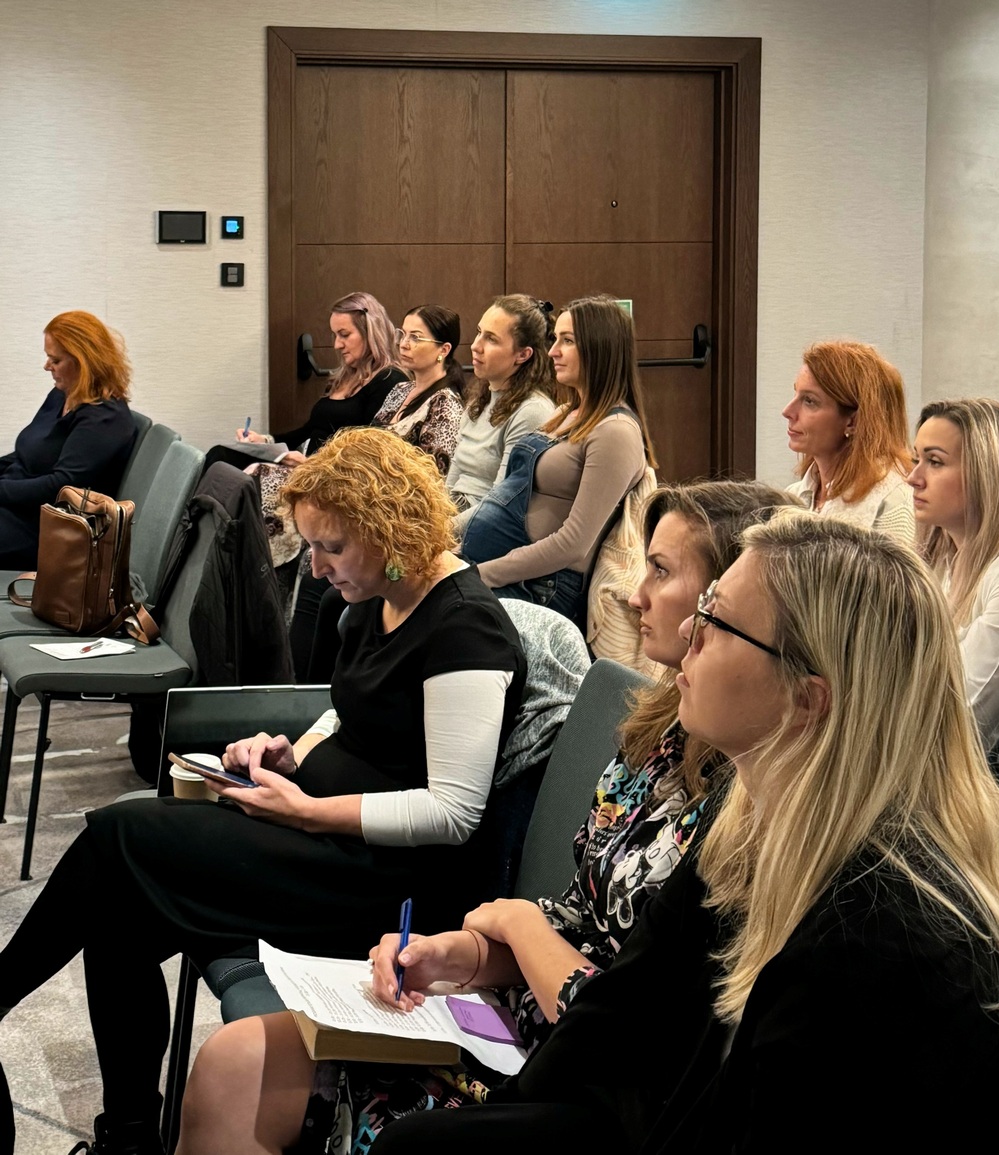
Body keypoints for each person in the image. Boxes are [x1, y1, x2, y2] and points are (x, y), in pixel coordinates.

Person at [175, 479, 799, 1155]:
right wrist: (458, 955)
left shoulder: (751, 804)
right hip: (513, 1017)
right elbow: (577, 917)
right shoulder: (657, 735)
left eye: (662, 571)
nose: (633, 594)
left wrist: (513, 922)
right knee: (229, 1064)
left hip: (582, 1078)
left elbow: (630, 1031)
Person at [368, 513, 999, 1153]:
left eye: (717, 619)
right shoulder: (743, 825)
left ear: (806, 699)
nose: (689, 629)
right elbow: (619, 1015)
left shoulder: (877, 935)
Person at [0, 428, 525, 1155]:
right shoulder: (381, 596)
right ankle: (128, 1136)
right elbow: (349, 710)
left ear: (391, 530)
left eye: (331, 546)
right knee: (118, 914)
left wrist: (307, 812)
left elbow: (452, 812)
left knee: (120, 837)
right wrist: (290, 751)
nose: (316, 566)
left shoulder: (467, 630)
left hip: (383, 885)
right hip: (320, 842)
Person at [460, 294, 656, 624]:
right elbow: (503, 495)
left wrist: (479, 575)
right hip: (502, 571)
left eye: (567, 341)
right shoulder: (565, 413)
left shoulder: (616, 432)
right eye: (555, 339)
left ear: (599, 348)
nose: (552, 351)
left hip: (541, 589)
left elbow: (573, 544)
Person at [909, 397, 999, 753]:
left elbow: (961, 721)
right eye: (915, 460)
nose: (913, 478)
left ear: (987, 474)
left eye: (934, 462)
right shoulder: (938, 564)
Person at [0, 310, 135, 569]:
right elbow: (25, 455)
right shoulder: (61, 395)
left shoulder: (105, 418)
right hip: (19, 506)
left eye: (55, 360)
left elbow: (61, 487)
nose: (47, 366)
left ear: (83, 362)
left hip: (47, 528)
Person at [232, 291, 406, 465]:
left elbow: (371, 453)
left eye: (344, 335)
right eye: (335, 335)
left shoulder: (389, 380)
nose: (337, 345)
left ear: (370, 333)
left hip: (332, 475)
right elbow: (309, 431)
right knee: (226, 455)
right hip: (310, 469)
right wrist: (265, 441)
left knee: (238, 466)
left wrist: (310, 464)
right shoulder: (341, 379)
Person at [782, 338, 914, 541]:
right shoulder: (793, 496)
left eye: (809, 401)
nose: (787, 411)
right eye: (796, 394)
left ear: (853, 421)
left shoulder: (893, 502)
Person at [447, 295, 559, 528]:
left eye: (491, 339)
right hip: (455, 516)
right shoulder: (479, 400)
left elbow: (499, 503)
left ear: (523, 355)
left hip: (484, 529)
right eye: (479, 332)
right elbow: (453, 479)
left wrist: (438, 533)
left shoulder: (532, 411)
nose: (476, 346)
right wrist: (429, 519)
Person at [371, 304, 465, 476]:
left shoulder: (446, 405)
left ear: (444, 350)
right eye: (403, 334)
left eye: (415, 338)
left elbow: (434, 477)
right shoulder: (400, 389)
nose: (403, 344)